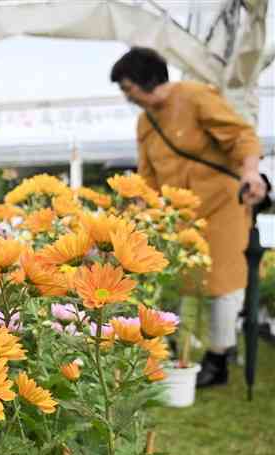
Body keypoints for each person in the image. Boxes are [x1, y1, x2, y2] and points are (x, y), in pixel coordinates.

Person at [110, 47, 267, 388]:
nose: (126, 96)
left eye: (127, 87)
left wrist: (251, 173)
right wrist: (135, 206)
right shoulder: (144, 121)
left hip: (222, 207)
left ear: (145, 80)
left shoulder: (195, 96)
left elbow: (241, 136)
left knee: (222, 284)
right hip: (177, 216)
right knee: (175, 283)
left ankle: (218, 359)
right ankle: (173, 352)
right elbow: (148, 175)